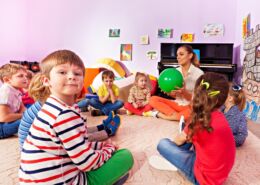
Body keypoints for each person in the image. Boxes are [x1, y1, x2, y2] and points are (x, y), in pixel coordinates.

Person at [19, 50, 133, 184]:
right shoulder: (64, 114)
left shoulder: (52, 107)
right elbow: (87, 163)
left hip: (36, 179)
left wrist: (102, 145)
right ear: (46, 80)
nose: (72, 76)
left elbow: (77, 144)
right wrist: (109, 149)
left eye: (77, 73)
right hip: (62, 181)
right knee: (125, 156)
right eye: (62, 72)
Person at [157, 72, 236, 185]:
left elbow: (178, 140)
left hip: (203, 179)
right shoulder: (220, 117)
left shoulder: (199, 120)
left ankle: (174, 161)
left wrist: (174, 146)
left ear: (196, 93)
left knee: (163, 144)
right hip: (220, 172)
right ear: (223, 99)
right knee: (188, 136)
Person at [149, 44, 204, 121]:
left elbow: (199, 99)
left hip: (190, 105)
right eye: (177, 55)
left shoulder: (199, 74)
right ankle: (176, 116)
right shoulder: (175, 72)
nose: (178, 57)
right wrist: (170, 93)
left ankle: (164, 115)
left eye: (181, 54)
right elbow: (175, 96)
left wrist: (184, 93)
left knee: (198, 110)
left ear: (190, 55)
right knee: (152, 99)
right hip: (177, 103)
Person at [0, 63, 28, 139]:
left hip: (9, 121)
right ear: (7, 80)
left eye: (26, 76)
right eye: (20, 76)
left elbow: (22, 107)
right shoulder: (5, 91)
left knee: (33, 110)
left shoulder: (16, 90)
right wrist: (27, 115)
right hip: (1, 126)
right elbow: (3, 117)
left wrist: (27, 113)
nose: (25, 78)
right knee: (31, 119)